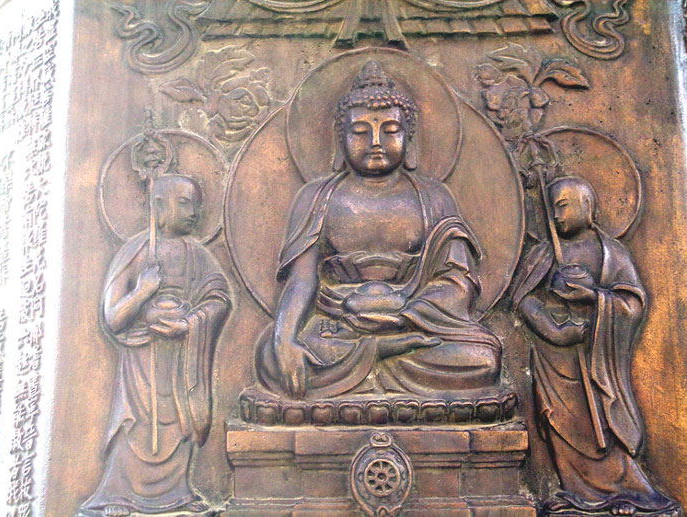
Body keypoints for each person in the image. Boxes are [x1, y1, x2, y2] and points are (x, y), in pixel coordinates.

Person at [256, 60, 502, 400]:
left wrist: (404, 314)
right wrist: (284, 340)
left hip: (416, 327)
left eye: (390, 130)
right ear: (340, 139)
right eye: (360, 132)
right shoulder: (317, 197)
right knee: (270, 358)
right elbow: (301, 280)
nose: (375, 141)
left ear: (409, 137)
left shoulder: (434, 198)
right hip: (337, 329)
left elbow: (458, 282)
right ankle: (377, 360)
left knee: (483, 361)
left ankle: (382, 359)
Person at [511, 176, 676, 516]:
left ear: (586, 206)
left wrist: (594, 299)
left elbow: (633, 303)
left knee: (603, 423)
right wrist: (553, 328)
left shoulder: (612, 253)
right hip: (555, 363)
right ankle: (576, 492)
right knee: (560, 422)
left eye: (563, 207)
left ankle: (628, 492)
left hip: (598, 357)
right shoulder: (544, 253)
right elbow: (522, 299)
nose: (557, 216)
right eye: (552, 209)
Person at [80, 174, 230, 516]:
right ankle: (118, 495)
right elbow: (113, 317)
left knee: (178, 422)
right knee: (134, 424)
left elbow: (219, 298)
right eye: (185, 203)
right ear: (159, 206)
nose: (194, 212)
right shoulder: (135, 251)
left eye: (196, 205)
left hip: (181, 360)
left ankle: (178, 493)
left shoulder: (197, 255)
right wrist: (144, 292)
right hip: (141, 361)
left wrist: (190, 323)